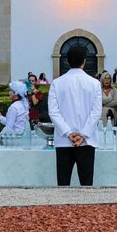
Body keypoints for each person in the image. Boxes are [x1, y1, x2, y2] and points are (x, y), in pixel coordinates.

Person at [48, 44, 102, 186]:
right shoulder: (94, 83)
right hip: (86, 140)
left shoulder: (56, 83)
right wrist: (83, 134)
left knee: (63, 184)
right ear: (84, 61)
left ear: (67, 61)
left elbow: (53, 112)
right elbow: (96, 112)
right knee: (86, 183)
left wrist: (68, 133)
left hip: (64, 140)